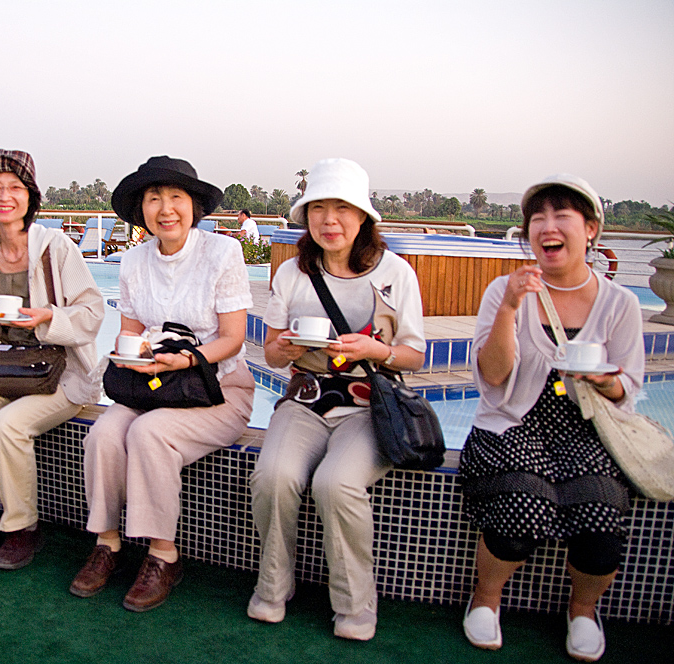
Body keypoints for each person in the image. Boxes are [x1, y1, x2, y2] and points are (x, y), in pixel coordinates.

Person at [459, 175, 644, 662]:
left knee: (601, 525)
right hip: (511, 425)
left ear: (590, 229)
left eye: (562, 216)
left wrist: (604, 381)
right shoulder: (504, 290)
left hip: (586, 431)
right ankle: (486, 598)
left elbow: (629, 387)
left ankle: (583, 610)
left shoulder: (620, 303)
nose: (547, 227)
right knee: (521, 510)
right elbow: (493, 377)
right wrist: (510, 306)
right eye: (538, 218)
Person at [248, 158, 426, 641]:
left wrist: (375, 350)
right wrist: (286, 348)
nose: (329, 220)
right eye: (318, 208)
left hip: (369, 408)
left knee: (336, 483)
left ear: (363, 216)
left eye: (342, 208)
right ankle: (274, 585)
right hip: (304, 402)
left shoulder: (395, 273)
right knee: (273, 475)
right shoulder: (292, 273)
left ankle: (354, 604)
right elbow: (271, 352)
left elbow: (414, 355)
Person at [69, 156, 255, 611]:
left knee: (148, 433)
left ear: (194, 206)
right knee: (104, 435)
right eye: (154, 199)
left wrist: (184, 360)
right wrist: (132, 356)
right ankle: (107, 543)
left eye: (176, 197)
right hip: (153, 386)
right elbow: (130, 331)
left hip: (216, 389)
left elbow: (233, 339)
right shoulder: (133, 260)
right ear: (142, 210)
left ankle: (163, 555)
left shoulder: (222, 253)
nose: (166, 208)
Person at [0, 150, 104, 569]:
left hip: (58, 371)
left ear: (30, 196)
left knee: (7, 426)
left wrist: (48, 317)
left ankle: (21, 528)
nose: (5, 196)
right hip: (2, 370)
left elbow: (92, 314)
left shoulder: (56, 248)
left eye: (15, 187)